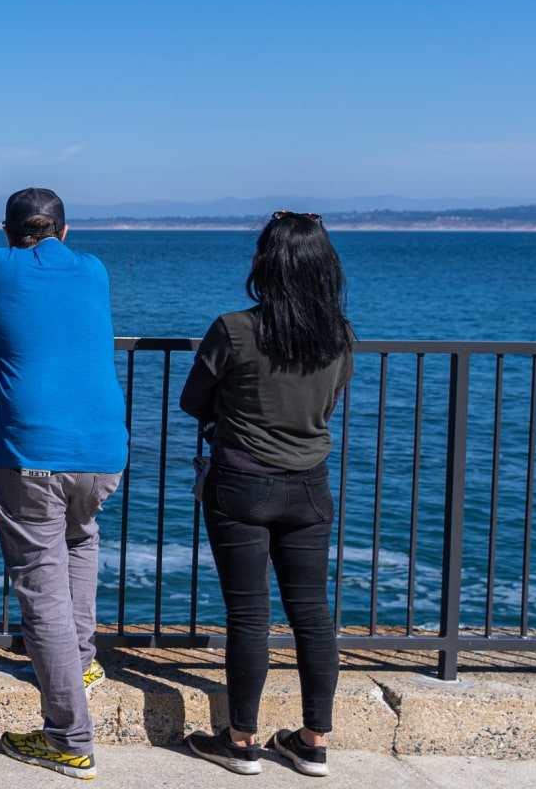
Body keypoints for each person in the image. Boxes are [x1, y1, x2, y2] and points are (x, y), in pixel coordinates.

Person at [0, 187, 128, 780]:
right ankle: (80, 663)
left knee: (39, 586)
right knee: (80, 540)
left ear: (6, 230)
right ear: (64, 229)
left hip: (32, 449)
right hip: (105, 449)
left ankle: (69, 739)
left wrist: (4, 329)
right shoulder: (94, 268)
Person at [177, 212, 352, 779]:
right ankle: (313, 741)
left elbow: (193, 401)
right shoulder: (339, 337)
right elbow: (326, 407)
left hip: (241, 485)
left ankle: (242, 741)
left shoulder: (234, 328)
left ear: (264, 264)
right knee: (312, 616)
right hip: (309, 487)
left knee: (248, 616)